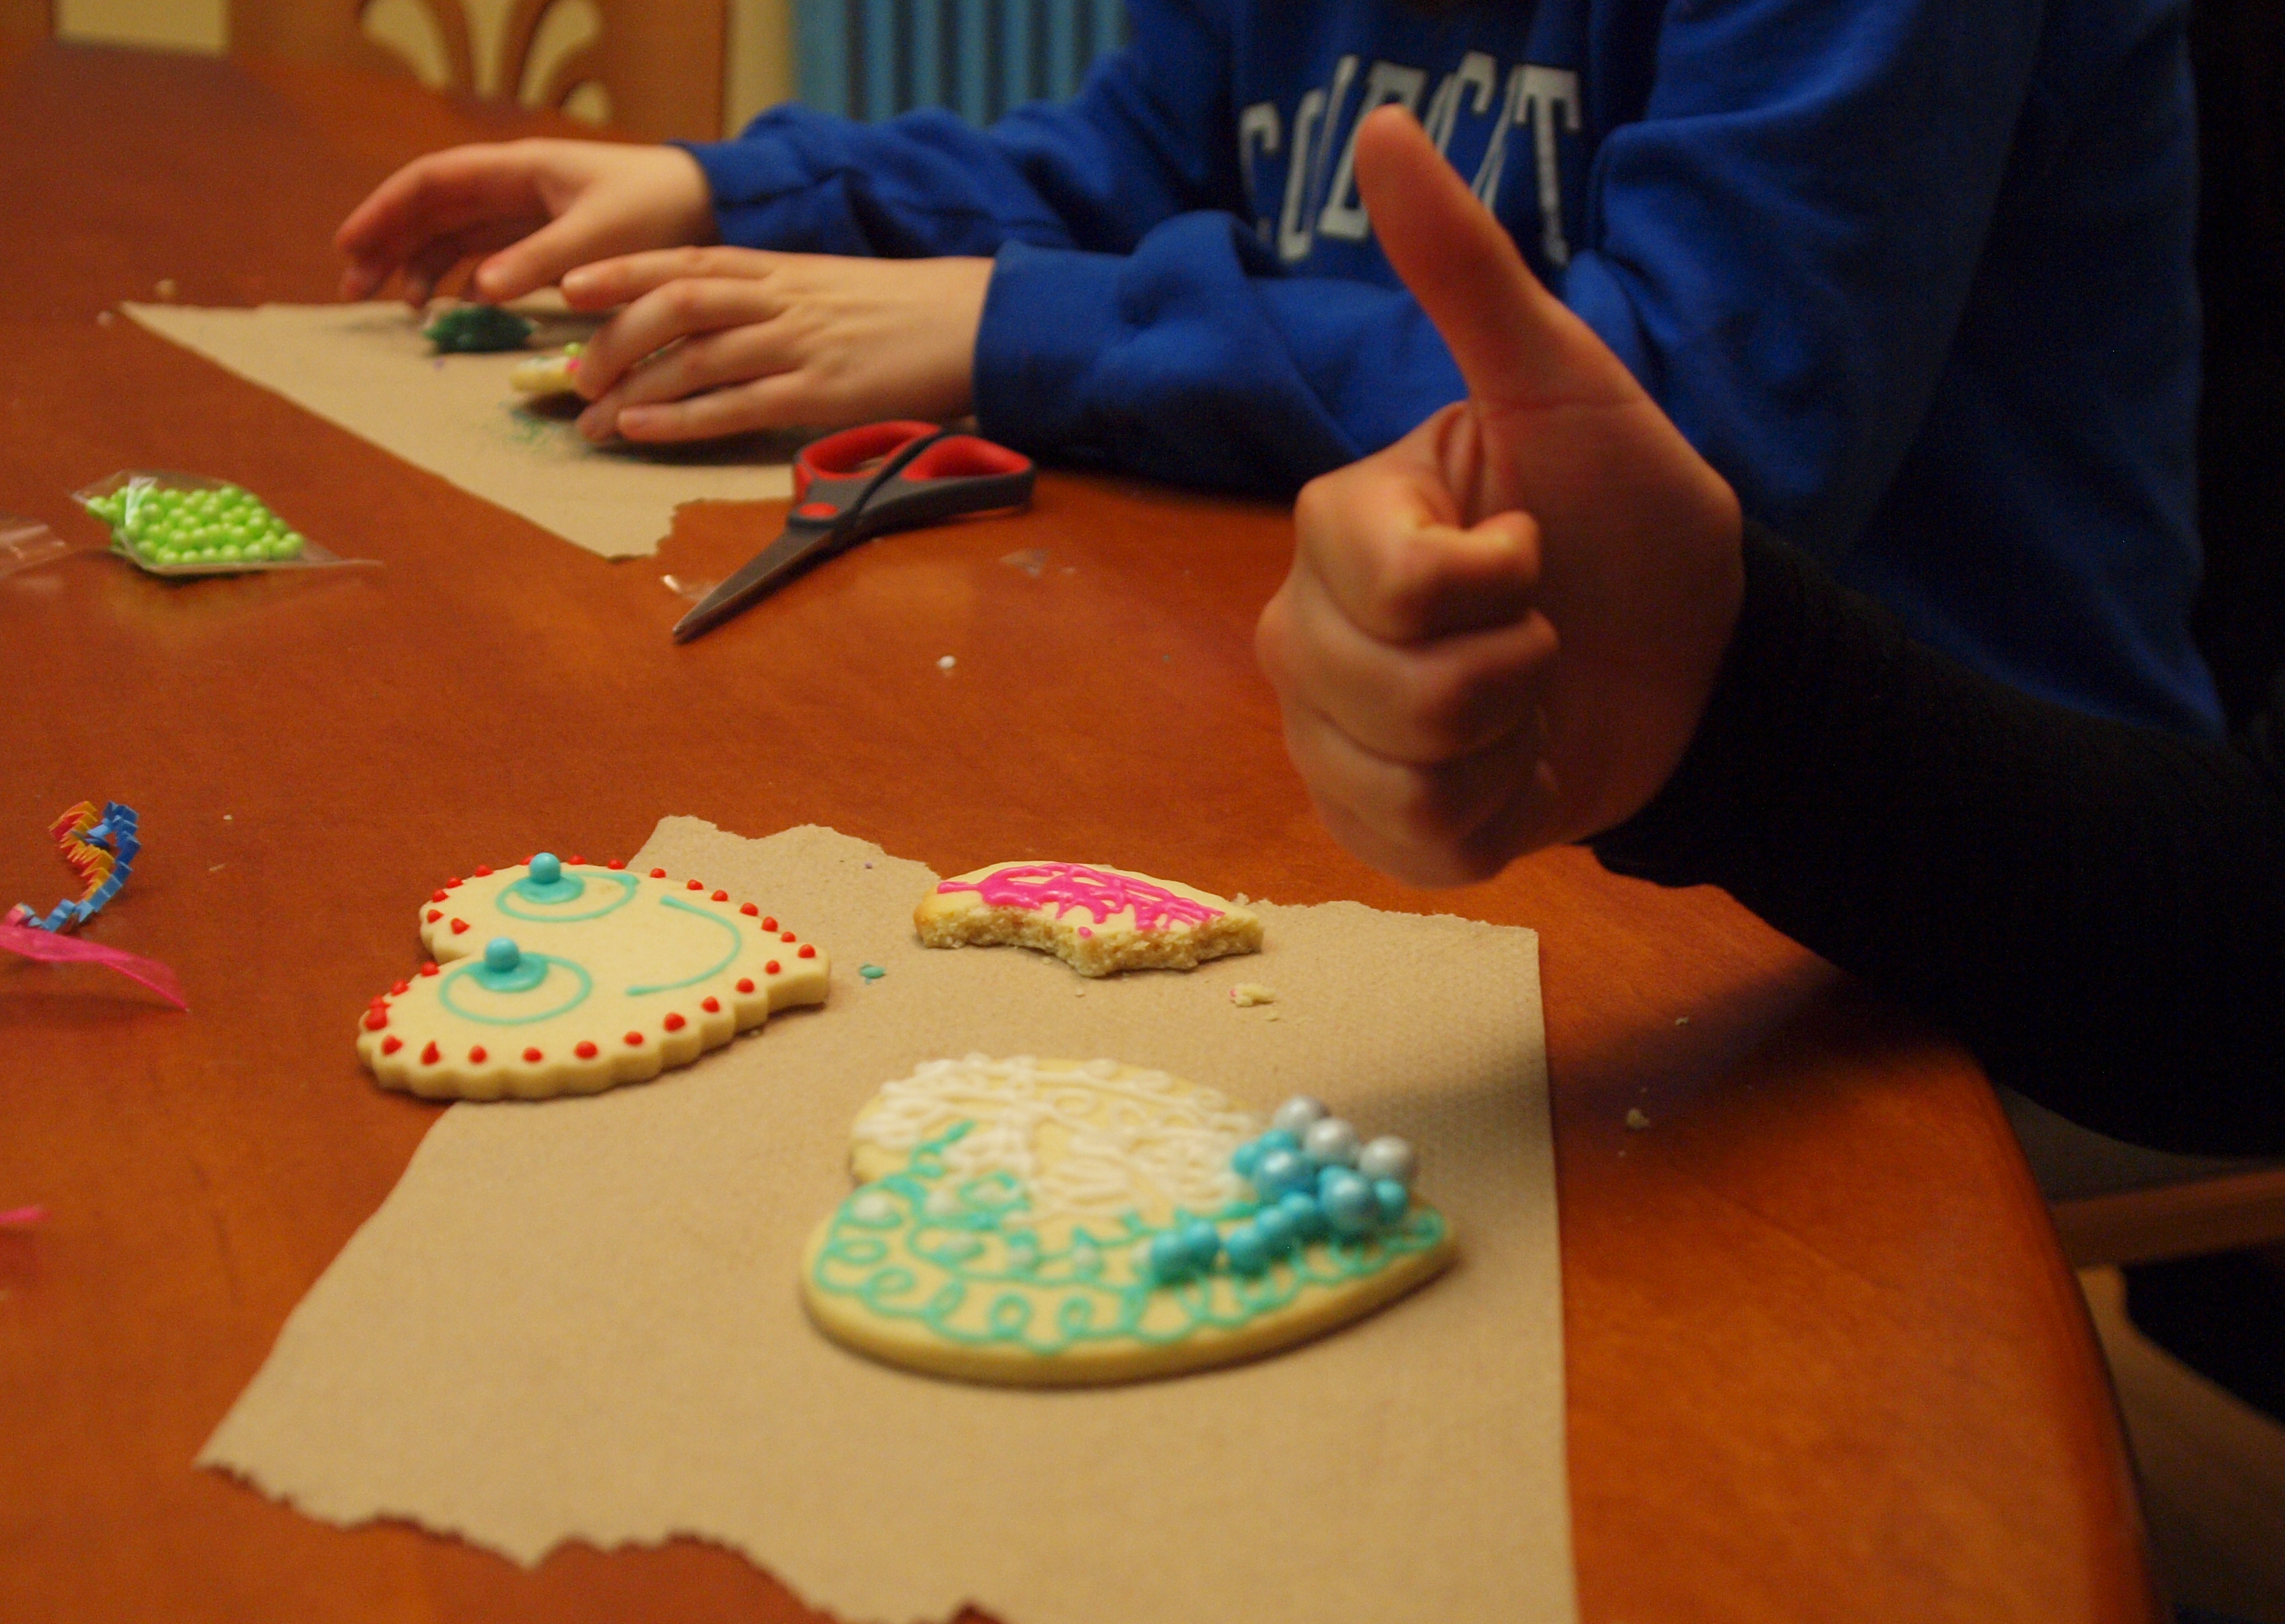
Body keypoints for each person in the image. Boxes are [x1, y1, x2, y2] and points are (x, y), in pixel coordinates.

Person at [335, 0, 2221, 738]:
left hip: (1951, 830)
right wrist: (728, 185)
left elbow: (1688, 444)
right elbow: (1116, 163)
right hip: (1477, 722)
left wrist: (1011, 327)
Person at [1255, 106, 2285, 1159]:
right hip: (1914, 875)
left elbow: (1708, 399)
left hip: (2003, 979)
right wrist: (1726, 705)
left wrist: (1737, 717)